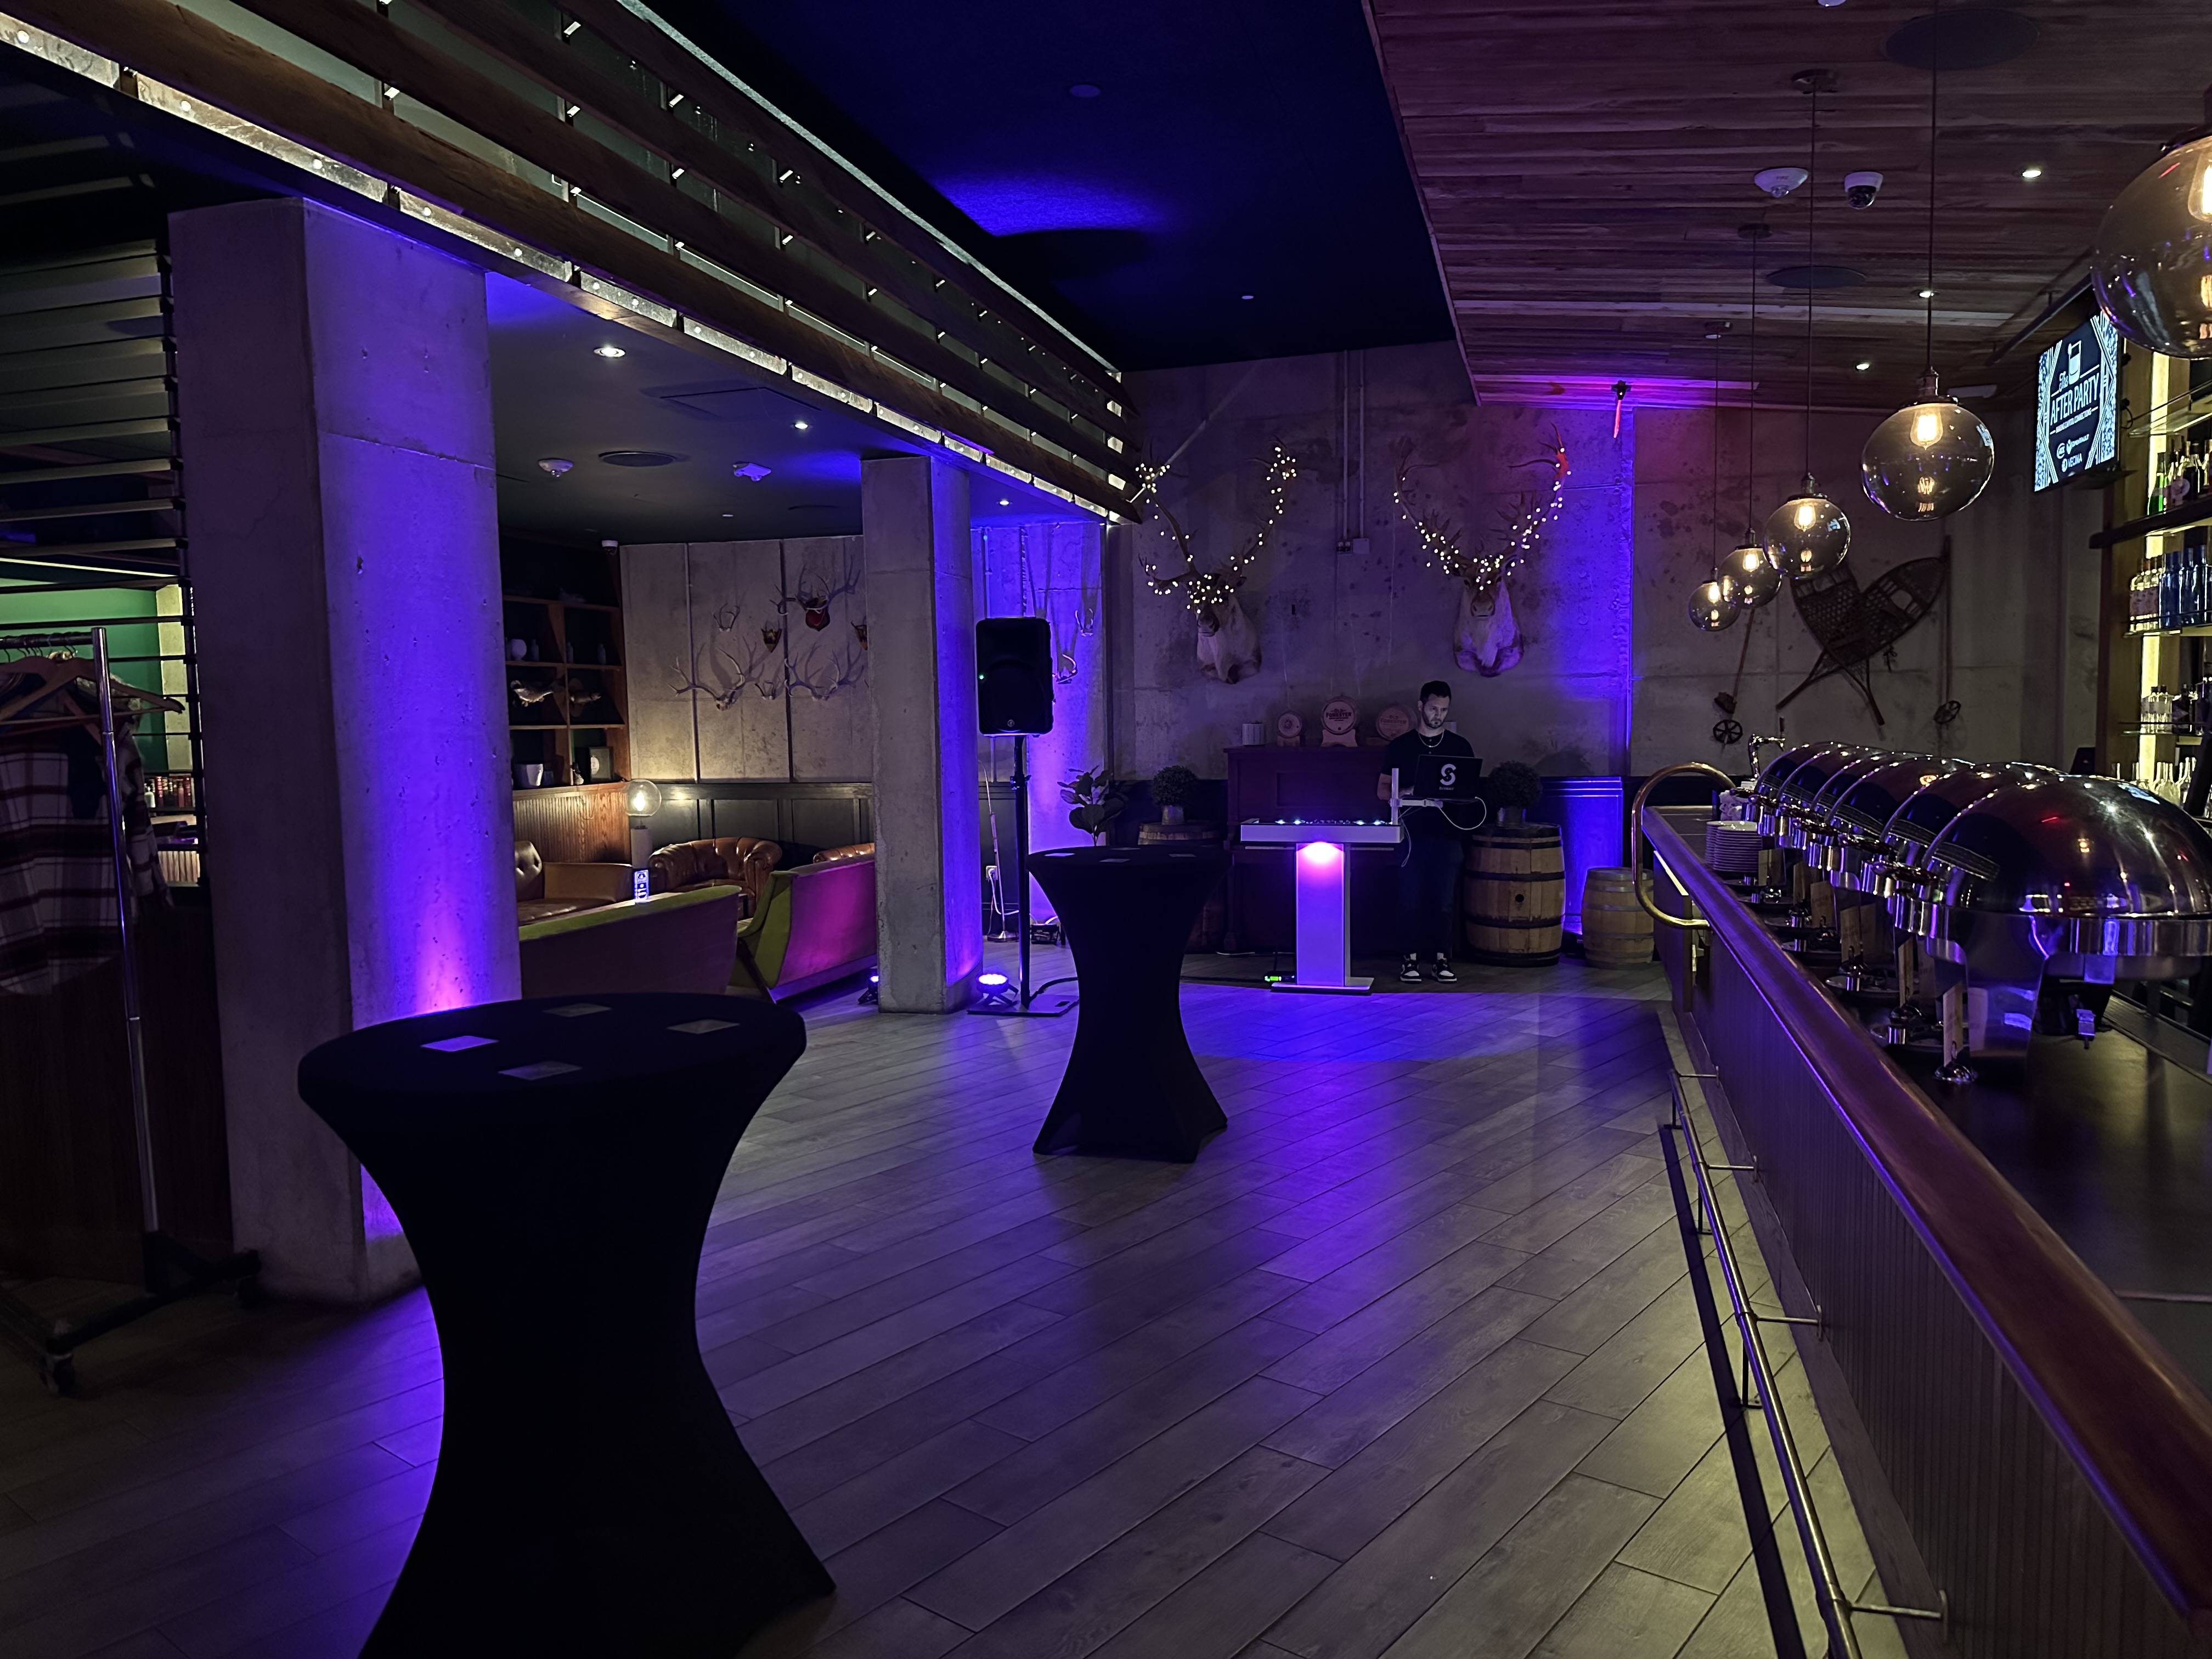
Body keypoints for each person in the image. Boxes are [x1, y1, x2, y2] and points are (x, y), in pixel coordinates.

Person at [1378, 679, 1476, 982]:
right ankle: (1409, 960)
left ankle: (1442, 959)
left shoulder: (1460, 747)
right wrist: (1406, 792)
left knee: (1443, 901)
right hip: (1411, 834)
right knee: (1410, 899)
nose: (1438, 715)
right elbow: (1382, 791)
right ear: (1421, 706)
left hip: (1447, 834)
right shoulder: (1401, 746)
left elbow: (1469, 792)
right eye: (1434, 708)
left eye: (1444, 710)